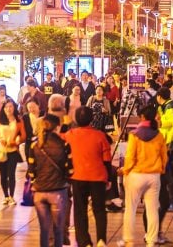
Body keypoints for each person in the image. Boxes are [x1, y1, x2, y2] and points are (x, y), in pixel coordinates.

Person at [62, 106, 111, 247]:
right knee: (99, 209)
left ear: (76, 119)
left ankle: (84, 242)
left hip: (78, 177)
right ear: (92, 118)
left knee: (80, 210)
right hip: (98, 176)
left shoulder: (70, 134)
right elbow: (106, 160)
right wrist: (108, 179)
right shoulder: (100, 135)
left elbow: (59, 136)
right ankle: (101, 240)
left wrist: (66, 123)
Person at [119, 105, 167, 247]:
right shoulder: (158, 135)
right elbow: (164, 157)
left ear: (142, 117)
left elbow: (130, 157)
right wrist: (161, 170)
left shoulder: (134, 135)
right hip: (153, 176)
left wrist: (125, 170)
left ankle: (128, 240)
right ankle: (151, 240)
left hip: (136, 175)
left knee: (131, 209)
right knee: (152, 210)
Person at [28, 114, 73, 247]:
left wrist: (34, 182)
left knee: (44, 230)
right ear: (57, 127)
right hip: (58, 191)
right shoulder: (64, 145)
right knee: (58, 230)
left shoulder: (35, 145)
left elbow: (31, 170)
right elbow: (70, 170)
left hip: (39, 191)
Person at [0, 98, 25, 205]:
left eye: (11, 106)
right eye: (6, 107)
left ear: (14, 107)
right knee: (3, 174)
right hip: (2, 151)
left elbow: (23, 135)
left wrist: (17, 141)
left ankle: (12, 196)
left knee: (12, 174)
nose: (9, 109)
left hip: (13, 151)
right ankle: (5, 196)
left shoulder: (18, 120)